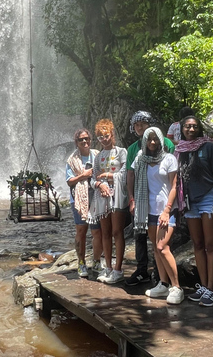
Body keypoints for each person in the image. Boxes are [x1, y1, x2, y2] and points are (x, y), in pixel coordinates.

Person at [128, 127, 184, 304]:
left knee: (162, 247)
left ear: (161, 140)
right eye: (149, 139)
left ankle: (177, 287)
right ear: (144, 141)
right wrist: (133, 200)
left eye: (155, 139)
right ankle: (163, 283)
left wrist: (167, 210)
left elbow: (174, 186)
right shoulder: (140, 159)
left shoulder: (169, 159)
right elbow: (130, 177)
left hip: (166, 209)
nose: (152, 142)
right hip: (148, 210)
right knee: (155, 247)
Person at [177, 115, 213, 307]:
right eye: (187, 126)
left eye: (194, 127)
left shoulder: (208, 147)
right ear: (182, 129)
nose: (191, 129)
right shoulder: (180, 150)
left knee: (210, 244)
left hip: (210, 198)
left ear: (199, 129)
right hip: (191, 201)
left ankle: (211, 289)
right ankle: (204, 287)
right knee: (197, 244)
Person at [124, 111, 175, 286]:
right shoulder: (133, 150)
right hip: (141, 197)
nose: (140, 127)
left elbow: (174, 170)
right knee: (140, 234)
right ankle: (142, 269)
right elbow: (130, 175)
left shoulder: (166, 144)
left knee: (162, 242)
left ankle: (163, 277)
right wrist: (131, 198)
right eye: (137, 125)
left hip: (162, 199)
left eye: (143, 124)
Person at [88, 119, 128, 284]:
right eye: (100, 137)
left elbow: (126, 173)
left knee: (117, 232)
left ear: (112, 135)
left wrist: (108, 176)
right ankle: (108, 267)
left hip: (117, 196)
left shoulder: (121, 152)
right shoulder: (98, 157)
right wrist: (99, 184)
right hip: (102, 197)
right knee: (105, 233)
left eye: (106, 135)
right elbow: (92, 178)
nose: (104, 139)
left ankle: (118, 269)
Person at [66, 128, 102, 278]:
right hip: (79, 200)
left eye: (87, 138)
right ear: (76, 142)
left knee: (96, 231)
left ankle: (97, 261)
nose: (85, 141)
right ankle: (81, 262)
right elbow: (69, 182)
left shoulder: (97, 155)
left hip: (96, 197)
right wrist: (84, 175)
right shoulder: (72, 160)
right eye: (81, 139)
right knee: (81, 231)